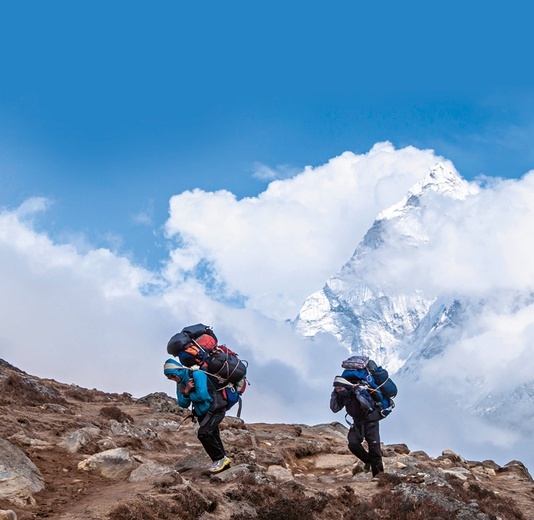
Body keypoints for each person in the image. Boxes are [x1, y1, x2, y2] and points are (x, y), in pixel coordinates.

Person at [164, 358, 231, 473]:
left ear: (178, 370)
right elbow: (183, 404)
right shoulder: (180, 383)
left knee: (204, 434)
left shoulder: (197, 374)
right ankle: (224, 467)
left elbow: (202, 396)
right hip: (202, 414)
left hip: (215, 410)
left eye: (172, 375)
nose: (172, 379)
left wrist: (187, 392)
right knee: (213, 436)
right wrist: (186, 392)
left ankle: (219, 459)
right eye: (169, 377)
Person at [330, 375, 384, 478]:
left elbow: (368, 405)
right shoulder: (341, 395)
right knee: (353, 444)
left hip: (371, 421)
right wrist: (334, 395)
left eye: (340, 388)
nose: (339, 390)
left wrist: (358, 392)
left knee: (374, 448)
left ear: (345, 386)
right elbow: (334, 408)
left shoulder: (358, 391)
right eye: (336, 389)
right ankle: (368, 461)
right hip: (357, 422)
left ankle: (379, 477)